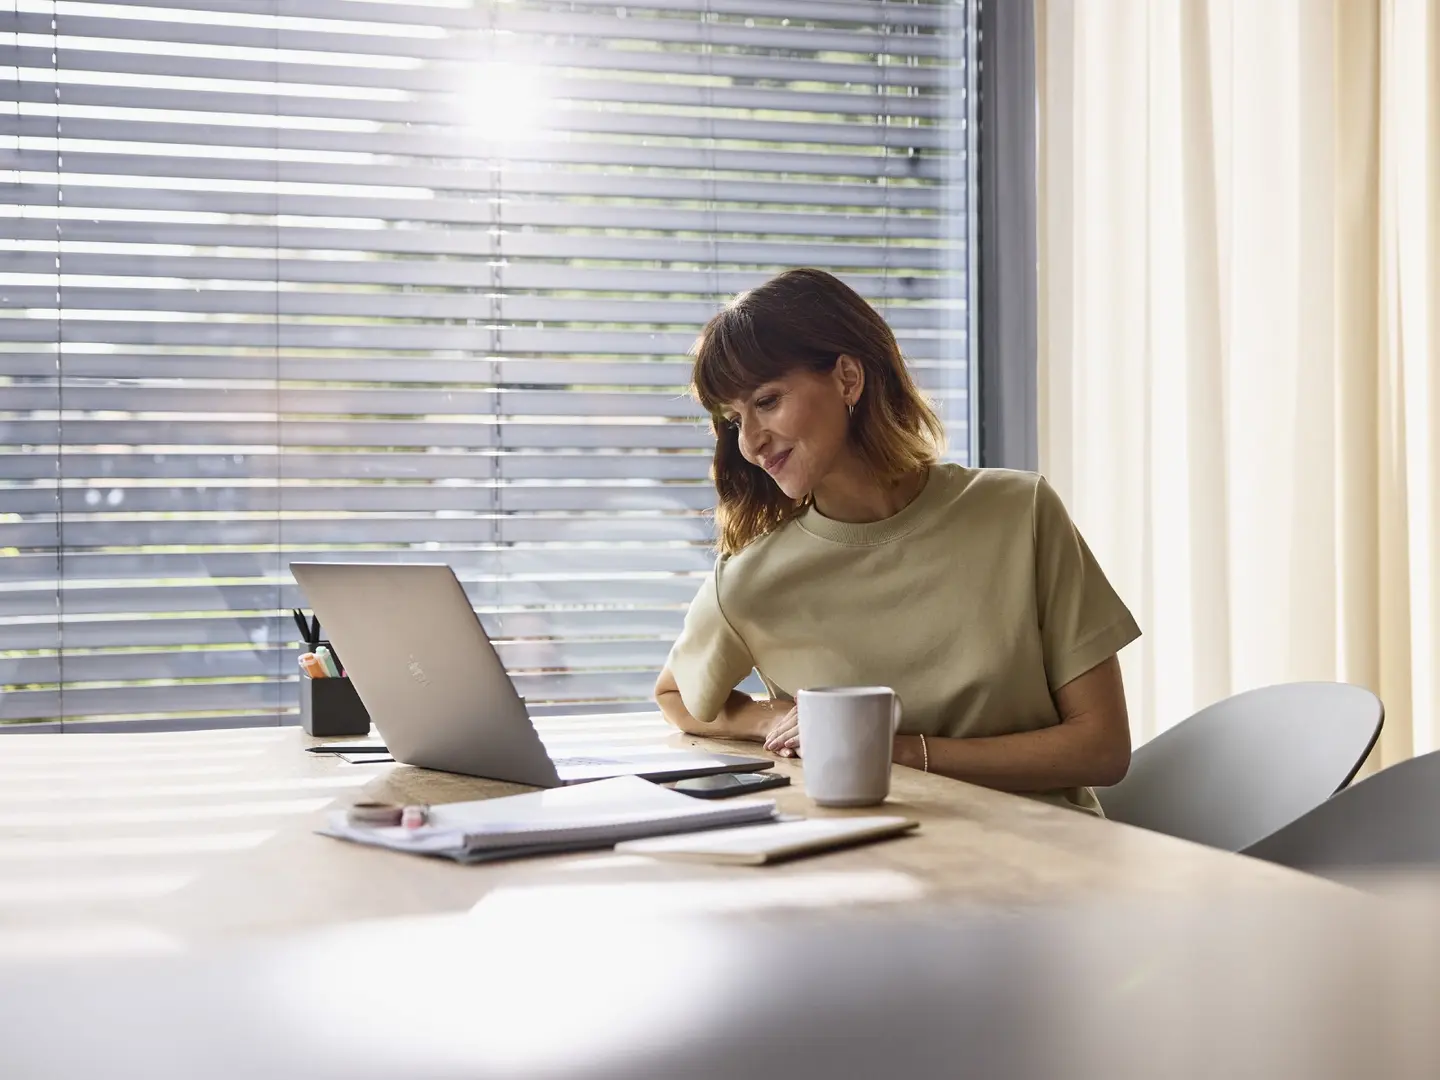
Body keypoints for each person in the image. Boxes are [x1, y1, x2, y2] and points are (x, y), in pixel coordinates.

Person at [652, 268, 1140, 815]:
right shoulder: (751, 577)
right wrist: (774, 719)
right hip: (868, 859)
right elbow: (676, 696)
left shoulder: (1019, 513)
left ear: (847, 378)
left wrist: (903, 752)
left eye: (766, 400)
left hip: (1051, 856)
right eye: (733, 418)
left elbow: (1102, 748)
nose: (749, 442)